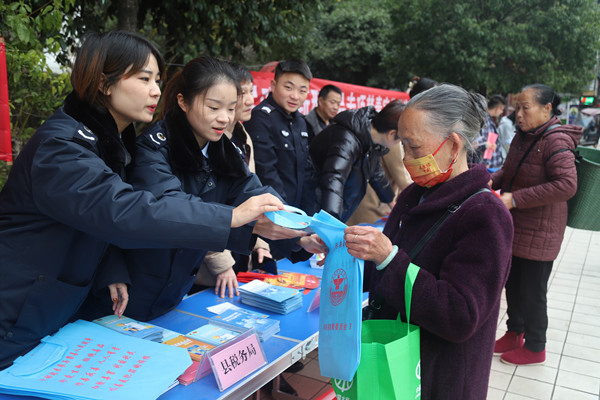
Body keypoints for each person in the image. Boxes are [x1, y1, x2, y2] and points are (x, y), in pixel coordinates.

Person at [0, 31, 294, 370]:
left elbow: (91, 221)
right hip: (16, 308)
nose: (156, 90)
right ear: (103, 83)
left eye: (157, 79)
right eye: (144, 78)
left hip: (52, 305)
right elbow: (123, 212)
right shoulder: (64, 148)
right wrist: (231, 217)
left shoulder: (110, 143)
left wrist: (294, 228)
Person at [81, 57, 324, 322]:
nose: (224, 118)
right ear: (183, 102)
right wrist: (238, 219)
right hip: (129, 287)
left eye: (231, 108)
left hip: (173, 292)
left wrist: (301, 235)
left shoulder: (224, 151)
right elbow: (171, 210)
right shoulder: (152, 149)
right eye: (214, 107)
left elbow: (256, 193)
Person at [343, 84, 514, 399]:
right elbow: (384, 271)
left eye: (414, 147)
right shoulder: (413, 195)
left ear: (452, 144)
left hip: (438, 377)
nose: (406, 158)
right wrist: (349, 254)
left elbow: (460, 315)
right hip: (392, 363)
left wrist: (388, 258)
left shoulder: (485, 214)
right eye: (402, 145)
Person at [491, 84, 582, 366]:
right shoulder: (524, 135)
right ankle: (514, 332)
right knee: (513, 284)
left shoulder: (556, 141)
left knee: (532, 291)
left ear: (546, 109)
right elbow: (511, 168)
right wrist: (491, 180)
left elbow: (567, 185)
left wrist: (515, 199)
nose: (518, 113)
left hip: (540, 231)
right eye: (517, 107)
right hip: (517, 226)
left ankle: (535, 346)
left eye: (525, 107)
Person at [194, 62, 273, 295]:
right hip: (205, 268)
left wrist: (259, 241)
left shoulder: (243, 137)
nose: (250, 100)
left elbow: (251, 195)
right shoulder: (207, 142)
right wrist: (222, 263)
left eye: (251, 92)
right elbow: (200, 209)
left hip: (238, 253)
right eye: (242, 93)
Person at [309, 100, 404, 222]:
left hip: (332, 206)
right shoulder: (347, 140)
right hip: (316, 205)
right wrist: (331, 222)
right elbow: (334, 179)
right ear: (392, 134)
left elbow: (376, 173)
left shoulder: (371, 140)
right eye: (400, 140)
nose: (399, 144)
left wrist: (391, 202)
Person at [245, 59, 315, 222]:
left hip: (297, 215)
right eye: (288, 87)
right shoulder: (260, 118)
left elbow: (306, 172)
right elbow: (266, 172)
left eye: (302, 90)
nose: (295, 96)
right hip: (272, 214)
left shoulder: (300, 121)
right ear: (273, 85)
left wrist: (307, 215)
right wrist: (285, 214)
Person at [471, 95, 506, 167]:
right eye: (502, 109)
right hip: (486, 165)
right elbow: (478, 143)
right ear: (497, 108)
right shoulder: (485, 120)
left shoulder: (489, 120)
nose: (501, 112)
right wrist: (486, 163)